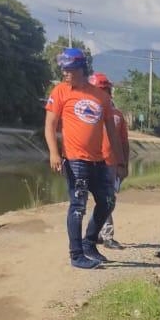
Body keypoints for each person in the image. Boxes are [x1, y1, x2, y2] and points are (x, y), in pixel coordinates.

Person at [44, 48, 125, 269]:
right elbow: (50, 125)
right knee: (78, 205)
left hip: (99, 161)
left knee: (107, 202)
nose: (65, 74)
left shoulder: (101, 97)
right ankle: (76, 254)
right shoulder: (60, 91)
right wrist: (53, 152)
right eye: (63, 70)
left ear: (81, 69)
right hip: (75, 159)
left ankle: (89, 243)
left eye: (69, 69)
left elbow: (112, 133)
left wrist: (119, 162)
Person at [89, 72, 129, 249]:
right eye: (101, 89)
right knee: (93, 201)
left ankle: (105, 235)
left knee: (107, 200)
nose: (104, 93)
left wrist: (123, 165)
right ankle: (97, 234)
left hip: (110, 164)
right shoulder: (86, 113)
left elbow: (124, 142)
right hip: (88, 162)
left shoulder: (117, 115)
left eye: (106, 90)